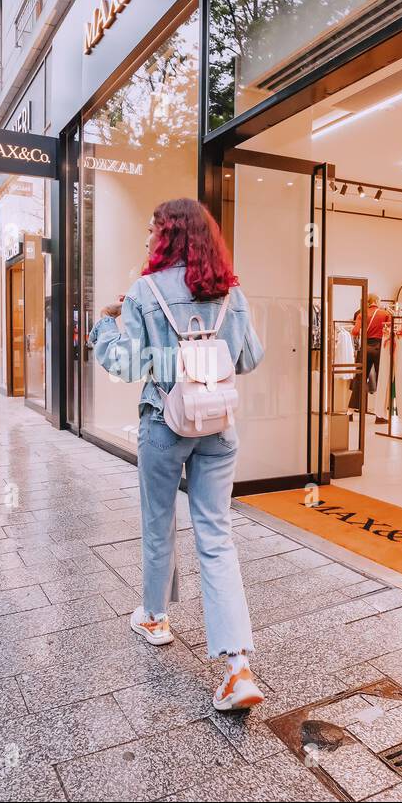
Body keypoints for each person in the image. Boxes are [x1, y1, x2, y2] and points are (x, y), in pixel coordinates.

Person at [90, 197, 266, 712]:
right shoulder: (230, 291)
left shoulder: (144, 291)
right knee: (216, 534)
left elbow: (123, 365)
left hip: (164, 424)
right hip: (217, 426)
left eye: (152, 228)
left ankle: (155, 616)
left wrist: (107, 324)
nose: (147, 237)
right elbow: (250, 357)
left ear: (169, 235)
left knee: (159, 522)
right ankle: (236, 667)